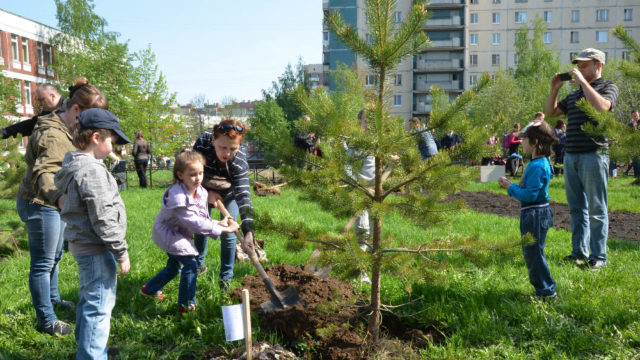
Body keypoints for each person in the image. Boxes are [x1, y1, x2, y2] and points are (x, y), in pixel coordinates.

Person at [16, 77, 107, 336]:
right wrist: (61, 199)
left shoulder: (68, 122)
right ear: (76, 111)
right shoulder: (53, 134)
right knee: (43, 263)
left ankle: (54, 298)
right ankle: (46, 320)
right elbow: (44, 171)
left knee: (55, 255)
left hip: (53, 204)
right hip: (40, 203)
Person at [54, 108, 131, 359]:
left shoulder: (75, 164)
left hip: (85, 246)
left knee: (90, 302)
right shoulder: (92, 171)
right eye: (112, 141)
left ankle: (89, 350)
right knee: (98, 308)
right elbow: (103, 216)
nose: (113, 147)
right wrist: (121, 252)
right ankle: (91, 354)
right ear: (96, 137)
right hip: (97, 249)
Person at [545, 48, 619, 270]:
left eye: (584, 65)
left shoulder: (608, 87)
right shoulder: (575, 94)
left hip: (594, 155)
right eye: (578, 65)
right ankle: (579, 253)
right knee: (576, 208)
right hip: (572, 156)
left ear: (599, 65)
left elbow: (602, 107)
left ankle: (599, 257)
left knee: (597, 209)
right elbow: (551, 113)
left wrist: (583, 84)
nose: (579, 69)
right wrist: (554, 90)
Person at [140, 151, 239, 313]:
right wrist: (224, 229)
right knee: (191, 264)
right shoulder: (177, 195)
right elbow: (194, 222)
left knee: (173, 267)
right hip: (169, 234)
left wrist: (218, 222)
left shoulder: (201, 192)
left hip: (181, 233)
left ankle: (149, 290)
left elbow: (200, 217)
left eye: (201, 173)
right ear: (180, 175)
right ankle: (186, 306)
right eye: (192, 175)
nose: (198, 178)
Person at [192, 120, 255, 291]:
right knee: (201, 226)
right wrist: (205, 193)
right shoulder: (203, 144)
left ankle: (225, 280)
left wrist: (249, 230)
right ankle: (197, 266)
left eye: (232, 149)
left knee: (229, 233)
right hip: (202, 188)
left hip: (228, 194)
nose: (227, 153)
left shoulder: (239, 162)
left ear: (239, 145)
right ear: (213, 141)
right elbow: (190, 173)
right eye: (223, 147)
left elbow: (244, 195)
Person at [498, 120, 558, 300]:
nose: (521, 142)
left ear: (536, 143)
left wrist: (510, 187)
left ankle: (546, 292)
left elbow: (530, 195)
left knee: (534, 255)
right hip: (535, 213)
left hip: (535, 215)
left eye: (525, 139)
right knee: (533, 253)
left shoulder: (537, 166)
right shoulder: (539, 163)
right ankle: (544, 290)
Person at [1, 83, 65, 139]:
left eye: (41, 100)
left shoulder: (71, 109)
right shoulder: (46, 114)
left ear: (52, 96)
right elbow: (26, 126)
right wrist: (4, 132)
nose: (40, 104)